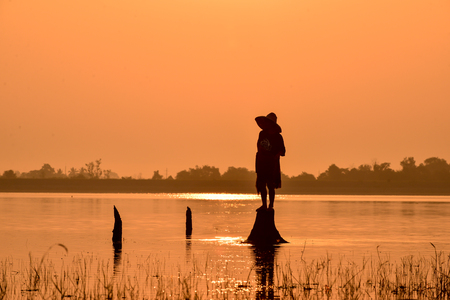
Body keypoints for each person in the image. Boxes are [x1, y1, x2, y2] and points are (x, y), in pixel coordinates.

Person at [255, 112, 286, 211]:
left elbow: (282, 151)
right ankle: (264, 205)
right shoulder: (262, 134)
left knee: (270, 185)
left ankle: (270, 206)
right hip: (261, 162)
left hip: (272, 163)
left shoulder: (278, 137)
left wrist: (276, 155)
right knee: (262, 184)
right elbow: (259, 146)